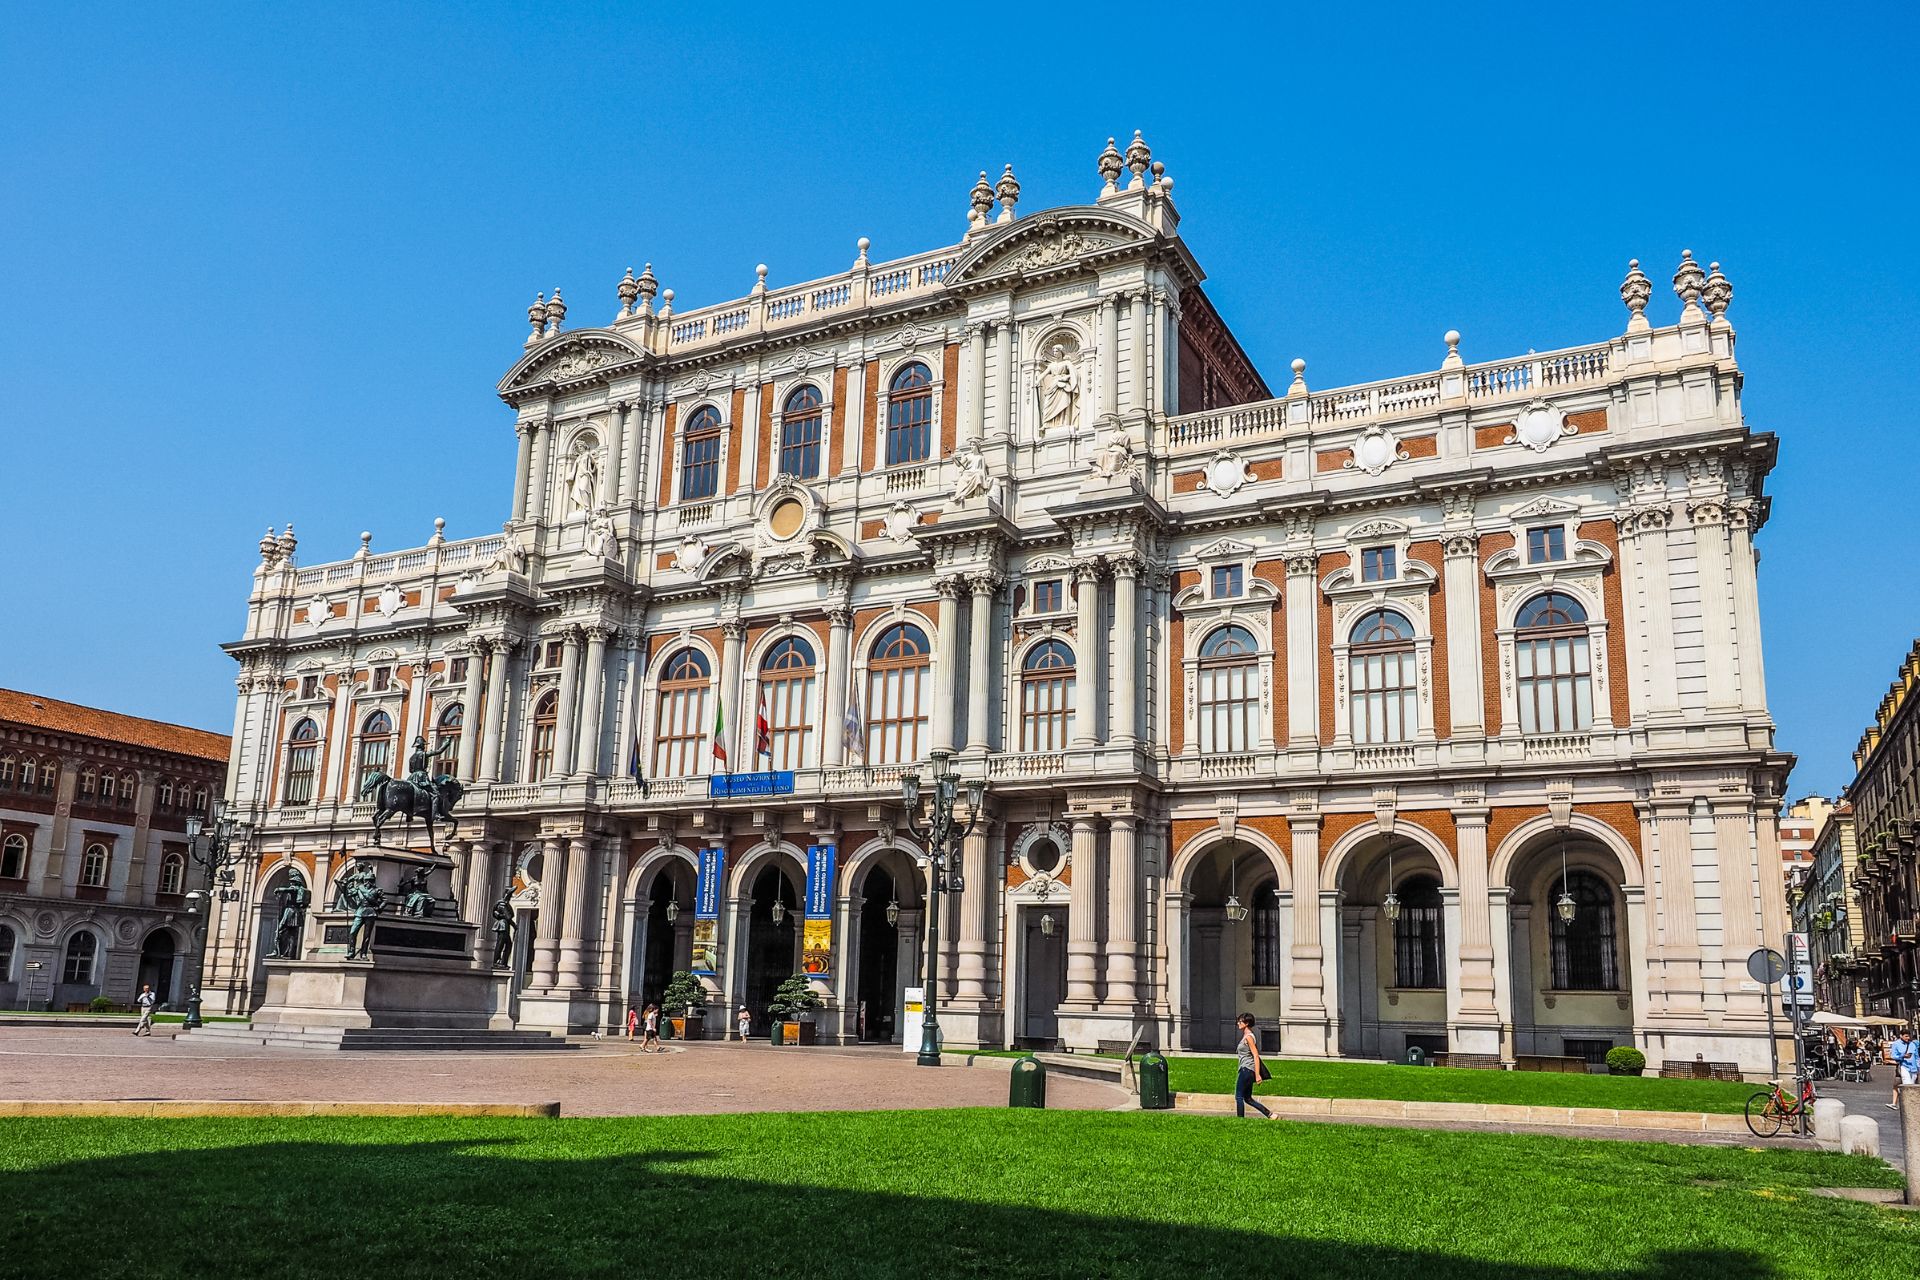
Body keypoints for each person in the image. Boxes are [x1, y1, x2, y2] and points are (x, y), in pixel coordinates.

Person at [1234, 1013, 1273, 1119]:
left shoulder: (1249, 1037)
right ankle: (1270, 1115)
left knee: (1239, 1096)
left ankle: (1240, 1120)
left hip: (1247, 1069)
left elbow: (1256, 1055)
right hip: (1247, 1069)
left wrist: (1257, 1075)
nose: (1238, 1023)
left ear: (1246, 1023)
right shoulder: (1246, 1036)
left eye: (1240, 1021)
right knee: (1248, 1098)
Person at [1886, 1027, 1919, 1109]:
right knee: (1907, 1085)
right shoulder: (1896, 1044)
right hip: (1904, 1066)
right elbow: (1893, 1056)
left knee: (1913, 1086)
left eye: (1908, 1036)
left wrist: (1918, 1067)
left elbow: (1917, 1056)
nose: (1908, 1038)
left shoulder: (1912, 1044)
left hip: (1914, 1067)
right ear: (1901, 1036)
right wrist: (1902, 1056)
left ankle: (1912, 1103)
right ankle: (1908, 1106)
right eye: (1906, 1036)